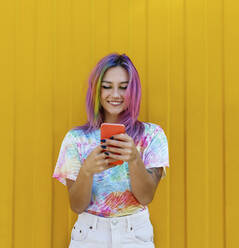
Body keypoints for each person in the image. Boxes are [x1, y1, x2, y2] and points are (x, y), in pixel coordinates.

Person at [53, 53, 169, 248]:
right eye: (107, 86)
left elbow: (146, 197)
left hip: (135, 235)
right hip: (88, 235)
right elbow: (76, 205)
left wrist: (134, 160)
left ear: (134, 91)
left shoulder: (152, 135)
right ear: (96, 91)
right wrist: (87, 171)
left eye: (124, 88)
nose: (115, 95)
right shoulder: (75, 139)